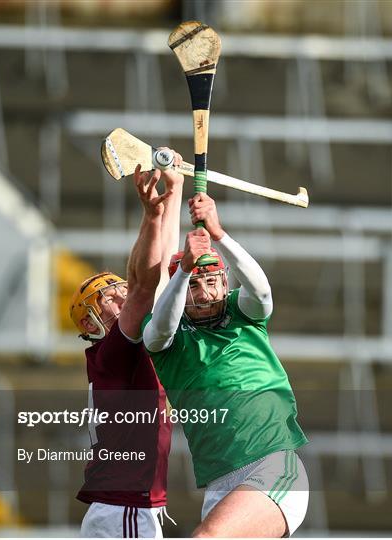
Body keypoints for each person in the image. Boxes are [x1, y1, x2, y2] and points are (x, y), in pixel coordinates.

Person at [143, 192, 309, 537]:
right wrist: (184, 268)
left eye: (213, 281)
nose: (205, 293)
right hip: (219, 484)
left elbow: (262, 292)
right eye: (194, 286)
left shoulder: (243, 313)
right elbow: (159, 329)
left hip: (272, 465)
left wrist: (218, 234)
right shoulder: (168, 342)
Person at [70, 151, 183, 538]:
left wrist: (175, 192)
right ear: (90, 322)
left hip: (122, 509)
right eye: (110, 299)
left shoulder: (121, 349)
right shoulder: (113, 353)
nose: (121, 299)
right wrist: (153, 216)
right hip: (126, 509)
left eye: (120, 291)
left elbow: (159, 273)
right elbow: (144, 286)